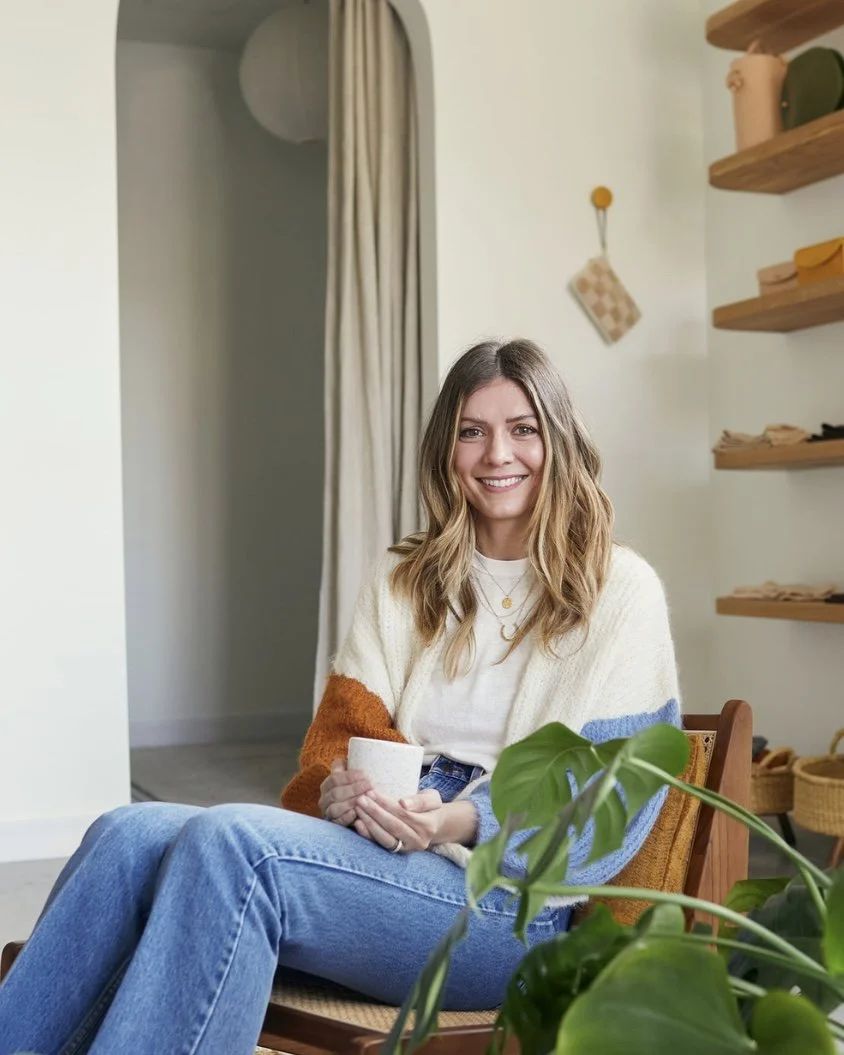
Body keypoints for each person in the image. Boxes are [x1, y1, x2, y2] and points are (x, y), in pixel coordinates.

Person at [0, 338, 680, 1055]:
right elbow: (333, 743)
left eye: (523, 429)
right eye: (472, 431)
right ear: (446, 449)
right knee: (125, 832)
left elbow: (612, 802)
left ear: (559, 441)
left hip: (512, 912)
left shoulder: (620, 590)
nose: (496, 454)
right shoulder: (404, 580)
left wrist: (456, 819)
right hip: (380, 861)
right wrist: (340, 792)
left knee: (233, 843)